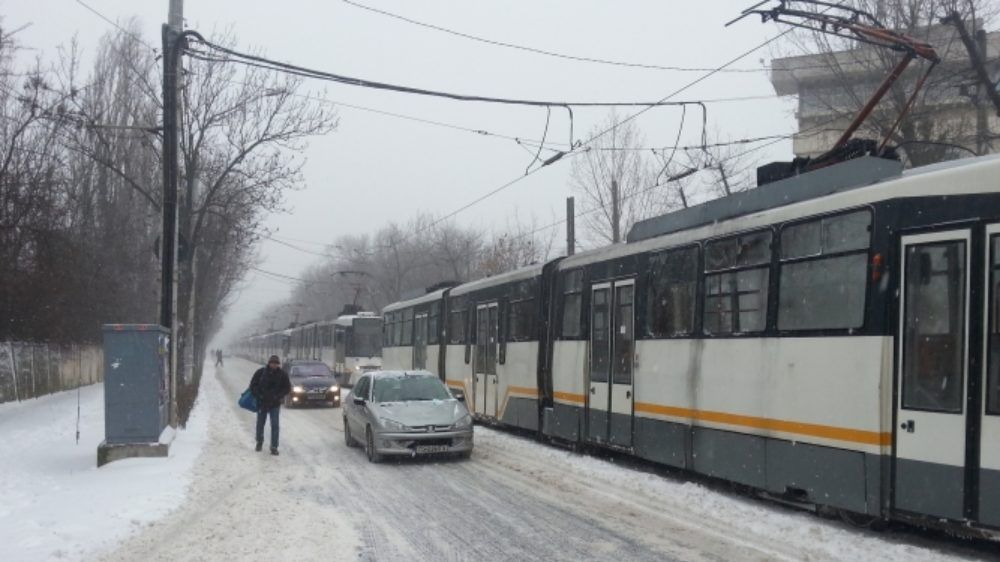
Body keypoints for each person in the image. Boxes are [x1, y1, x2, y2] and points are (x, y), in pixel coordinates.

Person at [249, 355, 291, 455]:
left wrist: (278, 396)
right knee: (260, 424)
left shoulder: (282, 375)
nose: (274, 365)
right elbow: (253, 385)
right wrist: (258, 395)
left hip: (275, 404)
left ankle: (274, 447)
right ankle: (259, 442)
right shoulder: (260, 372)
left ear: (278, 364)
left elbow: (287, 388)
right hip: (262, 402)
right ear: (269, 363)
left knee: (275, 425)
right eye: (272, 363)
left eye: (276, 363)